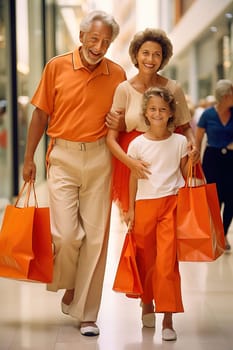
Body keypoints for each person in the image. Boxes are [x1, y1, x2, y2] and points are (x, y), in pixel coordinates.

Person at [22, 10, 126, 336]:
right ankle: (69, 282)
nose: (99, 46)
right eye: (94, 39)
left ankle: (86, 312)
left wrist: (119, 124)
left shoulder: (117, 74)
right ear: (81, 37)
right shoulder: (56, 66)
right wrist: (28, 158)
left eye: (106, 42)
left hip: (100, 159)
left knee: (95, 239)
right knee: (67, 236)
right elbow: (40, 115)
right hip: (63, 157)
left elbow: (127, 119)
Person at [106, 28, 199, 215]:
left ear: (163, 58)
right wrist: (131, 163)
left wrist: (194, 144)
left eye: (157, 55)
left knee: (171, 222)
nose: (150, 59)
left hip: (168, 159)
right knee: (138, 224)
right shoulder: (123, 89)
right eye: (145, 53)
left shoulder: (173, 88)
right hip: (135, 161)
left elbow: (185, 127)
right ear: (136, 55)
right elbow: (110, 139)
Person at [124, 86, 190, 341]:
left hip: (171, 204)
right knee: (146, 261)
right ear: (146, 113)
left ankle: (168, 317)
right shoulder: (137, 144)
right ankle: (147, 303)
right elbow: (132, 177)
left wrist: (192, 160)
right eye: (152, 109)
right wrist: (130, 208)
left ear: (171, 112)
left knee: (167, 264)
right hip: (144, 206)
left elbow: (185, 172)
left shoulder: (180, 141)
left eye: (163, 109)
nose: (158, 113)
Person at [196, 79, 233, 252]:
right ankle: (216, 235)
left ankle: (223, 234)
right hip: (212, 159)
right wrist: (194, 159)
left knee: (231, 200)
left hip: (231, 159)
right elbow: (198, 138)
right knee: (214, 200)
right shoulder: (207, 115)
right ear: (225, 96)